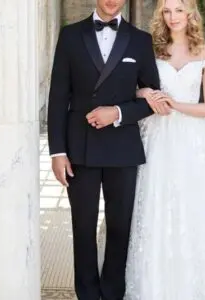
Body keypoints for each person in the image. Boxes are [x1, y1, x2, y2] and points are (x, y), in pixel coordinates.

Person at [97, 0, 205, 299]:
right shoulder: (149, 49)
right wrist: (145, 93)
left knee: (195, 210)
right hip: (156, 138)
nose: (173, 17)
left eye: (179, 10)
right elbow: (133, 87)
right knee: (153, 206)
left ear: (191, 13)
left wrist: (173, 103)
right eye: (167, 11)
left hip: (192, 143)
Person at [47, 0, 171, 299]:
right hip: (80, 148)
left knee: (120, 228)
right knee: (83, 228)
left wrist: (116, 113)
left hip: (122, 148)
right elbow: (58, 95)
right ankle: (87, 294)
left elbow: (152, 99)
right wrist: (57, 151)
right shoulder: (70, 35)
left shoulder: (140, 40)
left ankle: (114, 293)